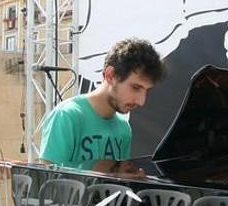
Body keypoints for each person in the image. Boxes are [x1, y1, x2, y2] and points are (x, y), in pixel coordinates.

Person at [39, 38, 165, 171]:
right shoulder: (66, 116)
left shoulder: (123, 128)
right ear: (110, 75)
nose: (141, 101)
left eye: (147, 90)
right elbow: (46, 182)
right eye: (136, 87)